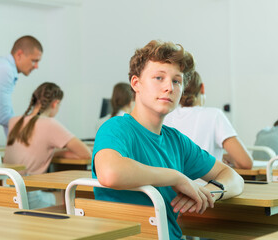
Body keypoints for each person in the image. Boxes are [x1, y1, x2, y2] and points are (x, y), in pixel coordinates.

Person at [92, 40, 244, 239]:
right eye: (158, 78)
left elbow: (234, 178)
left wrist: (206, 193)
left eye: (176, 81)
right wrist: (177, 177)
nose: (169, 88)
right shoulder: (116, 128)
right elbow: (110, 173)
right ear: (136, 84)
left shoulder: (176, 141)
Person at [4, 82, 91, 208]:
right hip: (28, 197)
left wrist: (52, 153)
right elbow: (86, 154)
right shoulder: (50, 124)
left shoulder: (14, 121)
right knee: (69, 195)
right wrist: (57, 153)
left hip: (7, 193)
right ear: (55, 103)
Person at [163, 71, 253, 169]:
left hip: (172, 183)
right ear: (202, 88)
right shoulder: (214, 115)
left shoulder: (165, 116)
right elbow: (245, 163)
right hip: (207, 183)